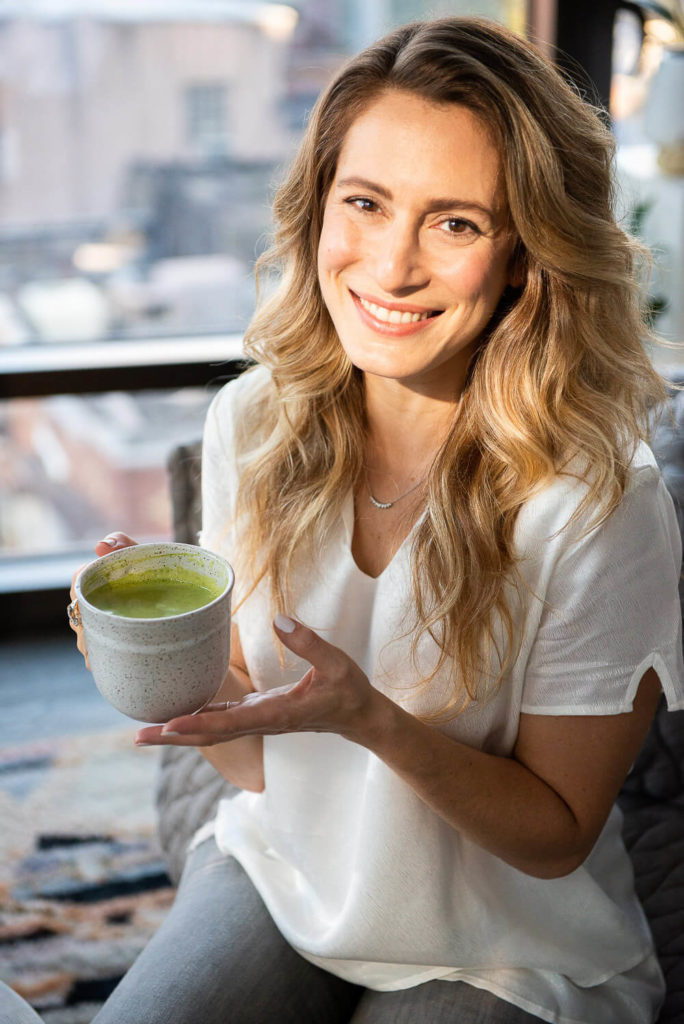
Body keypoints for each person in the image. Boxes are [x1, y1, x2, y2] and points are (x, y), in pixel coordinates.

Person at [55, 15, 683, 1024]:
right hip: (287, 876)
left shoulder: (598, 500)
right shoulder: (252, 423)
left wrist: (373, 720)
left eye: (455, 223)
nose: (391, 268)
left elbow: (557, 833)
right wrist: (174, 668)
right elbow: (264, 763)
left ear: (524, 257)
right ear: (318, 208)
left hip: (506, 950)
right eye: (366, 202)